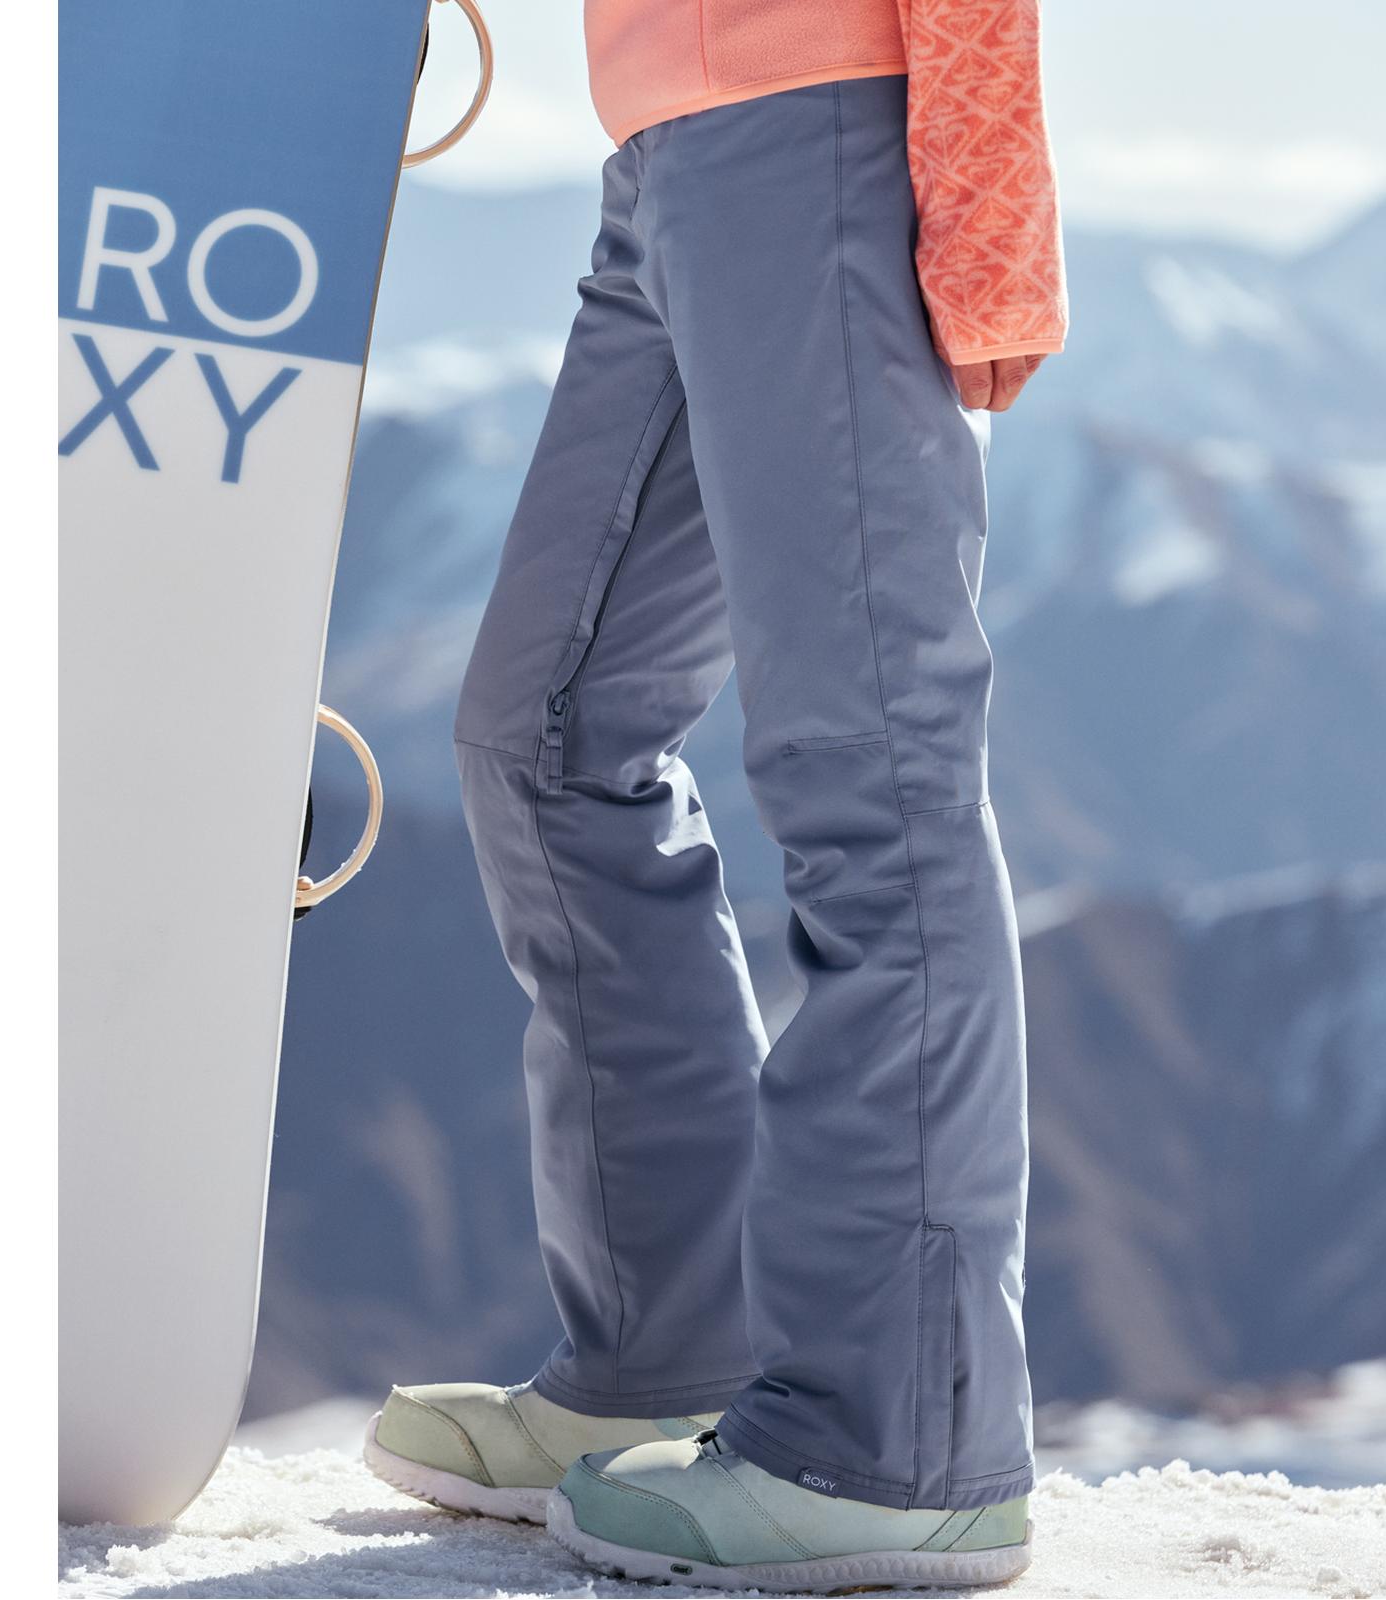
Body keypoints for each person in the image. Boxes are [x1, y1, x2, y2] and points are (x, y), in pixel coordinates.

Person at [364, 1, 1066, 1587]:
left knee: (872, 769)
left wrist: (985, 204)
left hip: (820, 118)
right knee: (547, 735)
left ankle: (902, 1446)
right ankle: (667, 1360)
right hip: (663, 147)